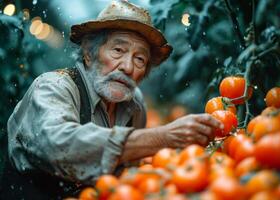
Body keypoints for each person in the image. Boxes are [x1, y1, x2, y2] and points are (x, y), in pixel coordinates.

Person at [1, 0, 223, 199]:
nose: (127, 67)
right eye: (118, 50)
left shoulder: (134, 106)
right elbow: (59, 145)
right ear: (89, 53)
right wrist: (163, 137)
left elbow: (127, 174)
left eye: (139, 59)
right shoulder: (54, 87)